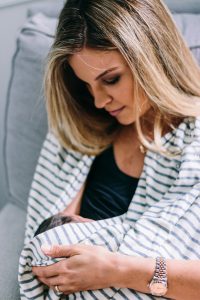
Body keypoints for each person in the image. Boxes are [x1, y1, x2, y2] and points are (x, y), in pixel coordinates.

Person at [18, 0, 200, 299]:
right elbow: (42, 250)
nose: (99, 101)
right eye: (86, 85)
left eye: (111, 80)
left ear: (151, 57)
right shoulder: (78, 131)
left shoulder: (193, 142)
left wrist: (121, 269)